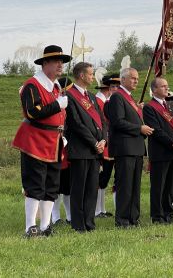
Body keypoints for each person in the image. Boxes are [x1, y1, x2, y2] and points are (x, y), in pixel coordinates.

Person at [12, 45, 70, 237]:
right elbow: (33, 112)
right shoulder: (32, 85)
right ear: (45, 63)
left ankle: (45, 226)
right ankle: (31, 226)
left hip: (54, 140)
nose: (60, 65)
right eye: (56, 61)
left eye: (62, 62)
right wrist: (57, 105)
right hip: (35, 140)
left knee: (51, 185)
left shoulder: (56, 87)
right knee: (35, 183)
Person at [106, 67, 153, 228]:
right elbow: (118, 121)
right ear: (123, 79)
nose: (136, 81)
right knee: (125, 185)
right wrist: (139, 128)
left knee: (134, 186)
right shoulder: (117, 97)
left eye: (137, 79)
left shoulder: (130, 99)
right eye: (132, 78)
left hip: (136, 147)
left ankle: (134, 218)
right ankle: (123, 220)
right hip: (125, 148)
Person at [64, 62, 107, 232]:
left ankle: (89, 222)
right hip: (81, 149)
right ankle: (78, 224)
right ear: (81, 75)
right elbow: (76, 123)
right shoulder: (69, 95)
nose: (92, 76)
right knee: (79, 189)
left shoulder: (91, 96)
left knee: (91, 189)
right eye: (90, 74)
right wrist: (94, 143)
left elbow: (102, 121)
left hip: (96, 150)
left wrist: (103, 140)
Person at [143, 78, 173, 224]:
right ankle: (158, 216)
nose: (167, 88)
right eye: (163, 86)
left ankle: (168, 212)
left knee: (170, 186)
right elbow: (156, 131)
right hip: (160, 152)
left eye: (167, 86)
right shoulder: (149, 107)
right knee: (159, 187)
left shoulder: (171, 106)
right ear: (154, 90)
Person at [95, 74, 120, 218]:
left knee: (105, 179)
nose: (114, 89)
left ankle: (102, 209)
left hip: (112, 143)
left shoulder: (108, 100)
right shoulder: (100, 101)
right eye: (113, 86)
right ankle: (98, 210)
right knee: (101, 178)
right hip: (104, 142)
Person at [52, 78, 74, 226]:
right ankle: (55, 217)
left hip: (68, 151)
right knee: (55, 187)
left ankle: (70, 216)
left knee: (67, 187)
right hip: (55, 149)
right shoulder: (56, 105)